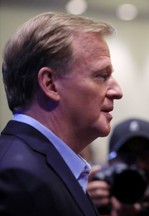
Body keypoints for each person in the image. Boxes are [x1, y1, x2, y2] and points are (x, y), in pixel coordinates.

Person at [0, 12, 123, 215]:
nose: (117, 91)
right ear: (50, 84)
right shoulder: (18, 177)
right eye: (101, 76)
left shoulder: (44, 168)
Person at [87, 118, 149, 216]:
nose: (139, 165)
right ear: (110, 161)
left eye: (147, 156)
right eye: (127, 157)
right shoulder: (99, 201)